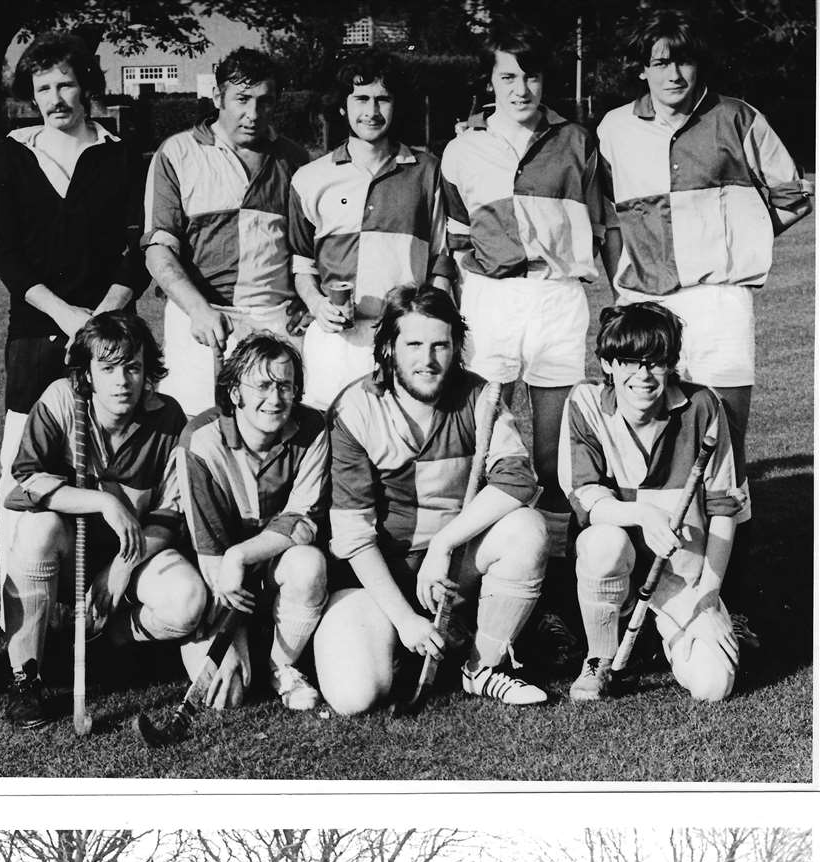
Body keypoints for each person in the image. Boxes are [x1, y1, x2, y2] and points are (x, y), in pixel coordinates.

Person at [597, 8, 811, 644]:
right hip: (646, 301)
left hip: (718, 300)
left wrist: (731, 242)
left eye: (684, 60)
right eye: (660, 61)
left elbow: (792, 194)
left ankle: (726, 598)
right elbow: (605, 213)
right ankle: (641, 588)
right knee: (641, 439)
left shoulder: (739, 116)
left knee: (724, 450)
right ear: (641, 67)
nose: (673, 73)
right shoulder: (612, 128)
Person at [441, 25, 607, 665]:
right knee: (480, 444)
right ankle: (463, 590)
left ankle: (553, 601)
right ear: (490, 82)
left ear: (548, 81)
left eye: (532, 76)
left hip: (558, 299)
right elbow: (454, 237)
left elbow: (600, 219)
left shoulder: (577, 140)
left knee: (554, 457)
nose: (521, 88)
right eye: (508, 76)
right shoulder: (461, 149)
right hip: (490, 300)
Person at [312, 284, 549, 714]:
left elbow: (517, 478)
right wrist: (404, 620)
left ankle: (483, 665)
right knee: (354, 697)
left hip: (453, 567)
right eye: (414, 344)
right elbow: (351, 535)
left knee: (527, 529)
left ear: (457, 347)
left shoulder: (481, 395)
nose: (428, 359)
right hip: (380, 579)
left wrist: (444, 544)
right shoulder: (355, 408)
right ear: (387, 347)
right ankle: (405, 642)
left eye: (441, 345)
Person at [0, 31, 147, 612]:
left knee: (108, 462)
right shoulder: (12, 151)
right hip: (34, 335)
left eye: (65, 84)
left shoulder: (122, 154)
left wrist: (101, 319)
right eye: (42, 88)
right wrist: (62, 313)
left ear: (87, 87)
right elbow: (5, 252)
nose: (55, 98)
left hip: (109, 336)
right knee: (25, 472)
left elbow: (140, 250)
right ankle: (21, 615)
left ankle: (105, 603)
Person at [2, 311, 206, 728]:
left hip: (136, 553)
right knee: (37, 528)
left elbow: (170, 513)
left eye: (132, 367)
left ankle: (114, 637)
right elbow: (26, 478)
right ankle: (26, 678)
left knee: (188, 602)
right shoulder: (61, 399)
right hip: (68, 546)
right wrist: (102, 502)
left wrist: (119, 570)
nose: (122, 380)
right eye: (108, 368)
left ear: (148, 370)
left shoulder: (168, 419)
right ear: (88, 374)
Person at [559, 301, 743, 704]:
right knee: (601, 542)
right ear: (608, 363)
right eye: (628, 360)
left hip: (680, 577)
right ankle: (599, 658)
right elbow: (587, 498)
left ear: (670, 363)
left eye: (655, 361)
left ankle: (664, 633)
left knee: (713, 686)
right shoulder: (585, 403)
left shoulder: (704, 407)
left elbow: (725, 511)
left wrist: (708, 601)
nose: (642, 375)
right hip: (617, 564)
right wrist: (643, 514)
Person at [142, 48, 309, 416]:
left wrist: (309, 299)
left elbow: (308, 248)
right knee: (197, 435)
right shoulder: (177, 152)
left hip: (275, 320)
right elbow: (158, 250)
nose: (253, 114)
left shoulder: (295, 159)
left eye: (264, 102)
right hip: (201, 319)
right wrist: (198, 309)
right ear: (218, 97)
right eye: (242, 99)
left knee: (275, 439)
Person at [289, 51, 452, 410]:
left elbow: (442, 257)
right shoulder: (310, 178)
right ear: (342, 107)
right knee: (332, 443)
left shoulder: (427, 171)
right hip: (336, 342)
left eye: (383, 99)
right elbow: (302, 264)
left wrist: (427, 326)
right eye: (361, 98)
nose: (372, 111)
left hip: (403, 337)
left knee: (402, 448)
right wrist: (317, 305)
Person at [177, 333, 328, 711]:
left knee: (309, 564)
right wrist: (233, 632)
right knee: (225, 698)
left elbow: (302, 522)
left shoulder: (313, 428)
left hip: (267, 563)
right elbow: (209, 549)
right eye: (262, 385)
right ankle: (226, 640)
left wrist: (240, 555)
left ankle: (282, 664)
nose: (275, 399)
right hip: (216, 577)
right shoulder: (199, 440)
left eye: (285, 386)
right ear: (234, 392)